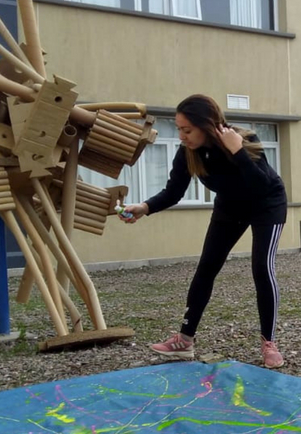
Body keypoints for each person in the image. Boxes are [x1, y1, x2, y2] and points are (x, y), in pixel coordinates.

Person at [120, 94, 288, 365]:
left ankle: (269, 343)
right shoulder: (188, 153)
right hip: (230, 207)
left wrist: (238, 152)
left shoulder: (243, 140)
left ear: (206, 125)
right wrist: (145, 207)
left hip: (266, 205)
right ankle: (184, 341)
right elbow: (173, 192)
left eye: (187, 130)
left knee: (261, 268)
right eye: (179, 129)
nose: (181, 136)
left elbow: (259, 186)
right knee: (207, 267)